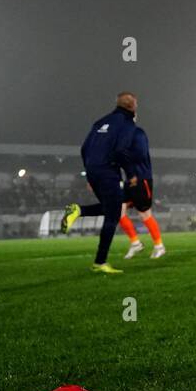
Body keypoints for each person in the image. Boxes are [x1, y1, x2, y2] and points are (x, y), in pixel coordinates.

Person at [61, 92, 140, 274]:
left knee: (110, 207)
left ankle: (79, 211)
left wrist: (90, 173)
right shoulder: (127, 124)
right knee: (113, 216)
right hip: (108, 171)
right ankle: (100, 261)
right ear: (132, 106)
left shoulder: (100, 121)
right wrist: (131, 173)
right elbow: (121, 151)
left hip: (93, 169)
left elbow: (84, 148)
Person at [119, 120, 166, 260]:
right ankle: (135, 243)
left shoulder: (138, 134)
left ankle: (159, 246)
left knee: (144, 214)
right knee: (117, 211)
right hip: (130, 180)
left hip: (141, 179)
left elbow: (138, 155)